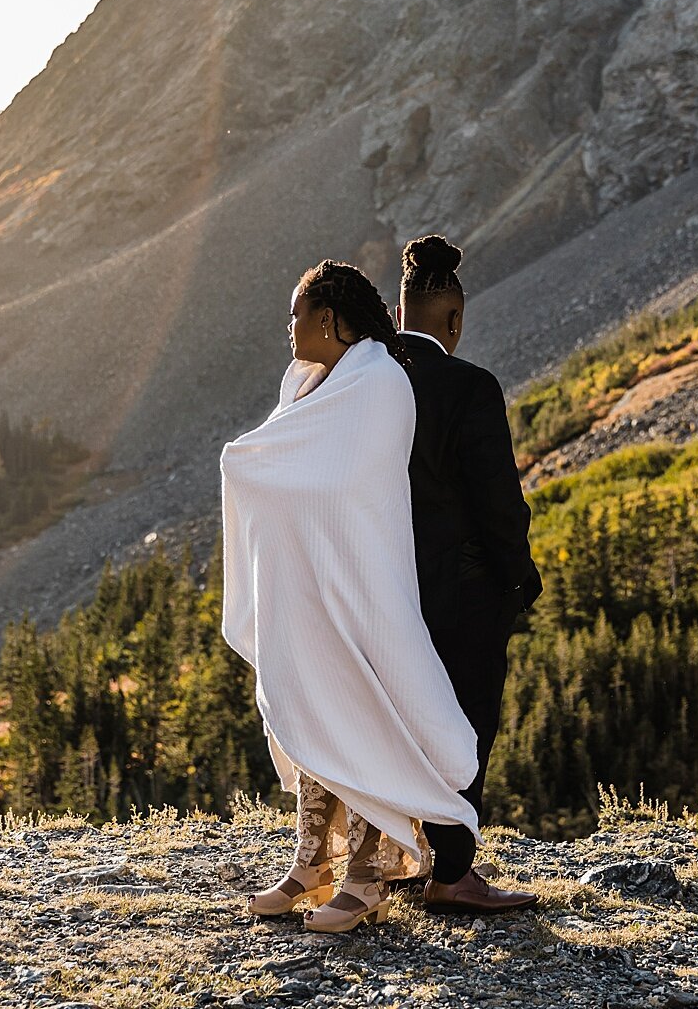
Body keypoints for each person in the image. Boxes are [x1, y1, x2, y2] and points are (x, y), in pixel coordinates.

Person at [219, 259, 483, 933]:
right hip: (310, 584)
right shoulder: (307, 383)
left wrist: (248, 466)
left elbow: (343, 483)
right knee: (313, 707)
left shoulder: (379, 382)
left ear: (329, 320)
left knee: (359, 713)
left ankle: (366, 873)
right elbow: (294, 468)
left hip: (359, 582)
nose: (290, 326)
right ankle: (312, 861)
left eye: (298, 313)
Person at [395, 235, 543, 914]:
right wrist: (519, 577)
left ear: (401, 312)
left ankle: (399, 852)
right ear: (453, 319)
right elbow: (496, 500)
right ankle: (453, 871)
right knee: (465, 725)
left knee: (394, 719)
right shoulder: (470, 387)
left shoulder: (363, 382)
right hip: (463, 592)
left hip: (383, 589)